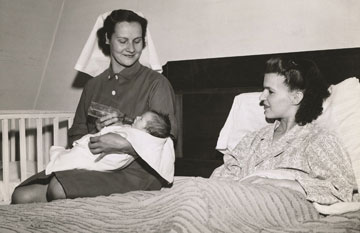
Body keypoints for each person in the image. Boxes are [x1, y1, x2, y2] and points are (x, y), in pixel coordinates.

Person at [11, 9, 177, 204]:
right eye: (123, 41)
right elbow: (75, 135)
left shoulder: (156, 83)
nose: (131, 48)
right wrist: (98, 133)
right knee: (21, 196)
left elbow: (166, 139)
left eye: (137, 41)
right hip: (93, 163)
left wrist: (125, 143)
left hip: (137, 172)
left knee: (58, 188)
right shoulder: (93, 85)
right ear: (108, 39)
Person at [211, 56, 356, 204]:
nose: (261, 97)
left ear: (296, 97)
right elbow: (220, 180)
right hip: (238, 204)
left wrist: (279, 183)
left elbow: (341, 190)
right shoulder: (253, 139)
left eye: (270, 91)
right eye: (263, 90)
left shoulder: (318, 140)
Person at [45, 110, 172, 174]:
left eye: (141, 119)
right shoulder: (132, 130)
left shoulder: (138, 139)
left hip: (105, 160)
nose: (137, 117)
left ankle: (58, 161)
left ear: (146, 133)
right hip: (97, 149)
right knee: (74, 155)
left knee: (73, 159)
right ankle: (60, 158)